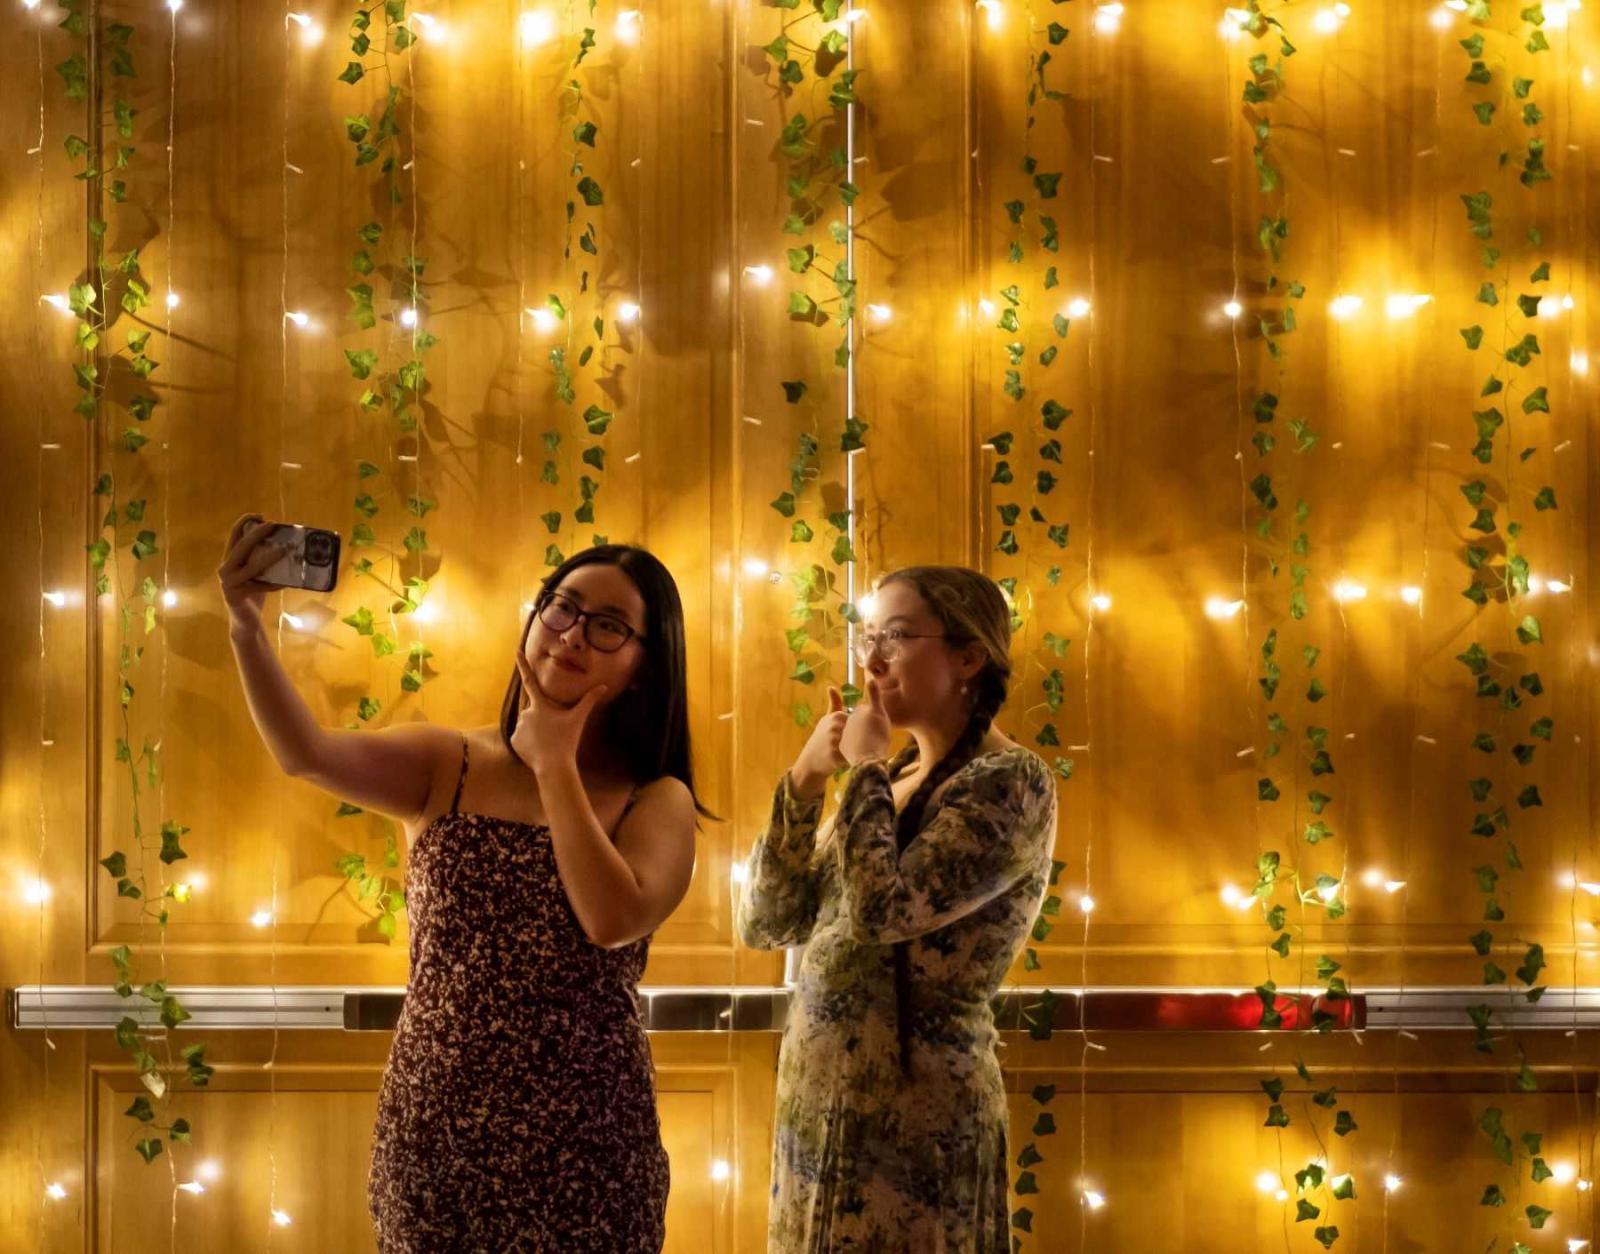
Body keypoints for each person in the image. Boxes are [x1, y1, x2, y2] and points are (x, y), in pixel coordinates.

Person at [218, 516, 701, 1252]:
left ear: (645, 663)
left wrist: (555, 767)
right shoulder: (450, 762)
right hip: (435, 1130)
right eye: (562, 606)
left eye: (608, 626)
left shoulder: (655, 798)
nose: (571, 634)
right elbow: (305, 755)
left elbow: (610, 919)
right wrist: (247, 627)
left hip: (589, 1145)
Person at [737, 565, 1059, 1253]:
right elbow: (766, 920)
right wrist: (803, 781)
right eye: (868, 635)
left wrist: (865, 771)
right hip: (819, 1098)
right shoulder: (893, 781)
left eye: (898, 635)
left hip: (915, 1117)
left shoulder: (1012, 782)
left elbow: (885, 914)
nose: (872, 657)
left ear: (968, 657)